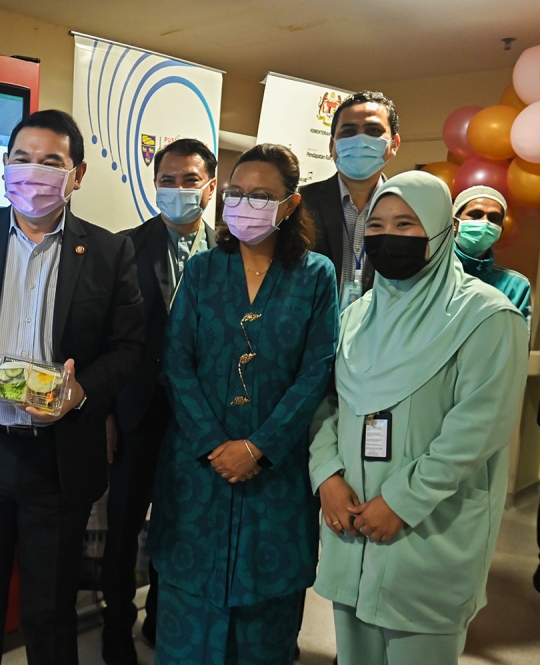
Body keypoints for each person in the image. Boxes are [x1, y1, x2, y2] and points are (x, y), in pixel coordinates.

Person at [0, 109, 144, 665]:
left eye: (50, 162)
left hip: (56, 459)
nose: (33, 173)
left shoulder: (109, 253)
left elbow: (130, 349)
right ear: (4, 166)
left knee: (51, 611)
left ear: (77, 175)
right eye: (22, 159)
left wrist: (79, 393)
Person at [309, 171, 528, 665]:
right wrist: (326, 476)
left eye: (406, 224)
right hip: (351, 522)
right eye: (379, 225)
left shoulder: (487, 317)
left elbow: (476, 430)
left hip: (427, 530)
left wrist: (402, 502)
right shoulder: (356, 317)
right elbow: (326, 405)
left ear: (439, 231)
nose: (389, 237)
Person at [148, 143, 339, 664]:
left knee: (266, 608)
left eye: (261, 195)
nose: (244, 204)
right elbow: (177, 359)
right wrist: (214, 442)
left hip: (274, 475)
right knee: (189, 601)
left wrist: (258, 446)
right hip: (197, 466)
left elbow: (317, 368)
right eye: (235, 193)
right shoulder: (206, 269)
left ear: (290, 204)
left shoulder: (316, 275)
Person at [101, 138, 217, 665]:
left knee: (182, 520)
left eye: (189, 180)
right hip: (135, 411)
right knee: (124, 525)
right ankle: (115, 628)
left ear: (210, 187)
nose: (176, 190)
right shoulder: (122, 247)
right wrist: (103, 411)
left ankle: (163, 616)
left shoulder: (231, 252)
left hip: (202, 418)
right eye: (166, 181)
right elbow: (99, 337)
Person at [302, 90, 401, 310]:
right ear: (332, 146)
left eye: (373, 131)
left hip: (382, 336)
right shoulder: (299, 203)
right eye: (348, 131)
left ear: (394, 144)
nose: (360, 140)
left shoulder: (412, 210)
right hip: (312, 335)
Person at [452, 185, 532, 330]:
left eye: (494, 218)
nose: (485, 222)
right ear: (455, 224)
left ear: (501, 230)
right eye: (475, 214)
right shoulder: (429, 270)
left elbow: (516, 345)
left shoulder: (515, 286)